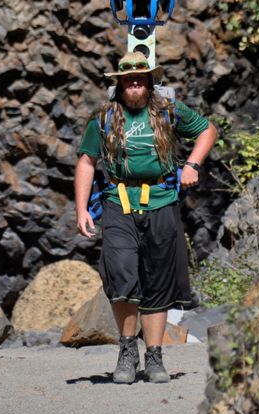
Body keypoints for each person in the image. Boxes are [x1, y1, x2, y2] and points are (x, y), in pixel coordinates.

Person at [74, 51, 217, 384]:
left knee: (157, 280)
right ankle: (127, 351)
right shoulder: (104, 119)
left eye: (140, 78)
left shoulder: (169, 112)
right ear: (120, 83)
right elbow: (86, 162)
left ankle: (154, 357)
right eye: (129, 79)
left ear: (150, 81)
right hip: (119, 205)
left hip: (162, 203)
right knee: (122, 276)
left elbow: (208, 130)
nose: (135, 84)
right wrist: (81, 209)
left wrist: (193, 165)